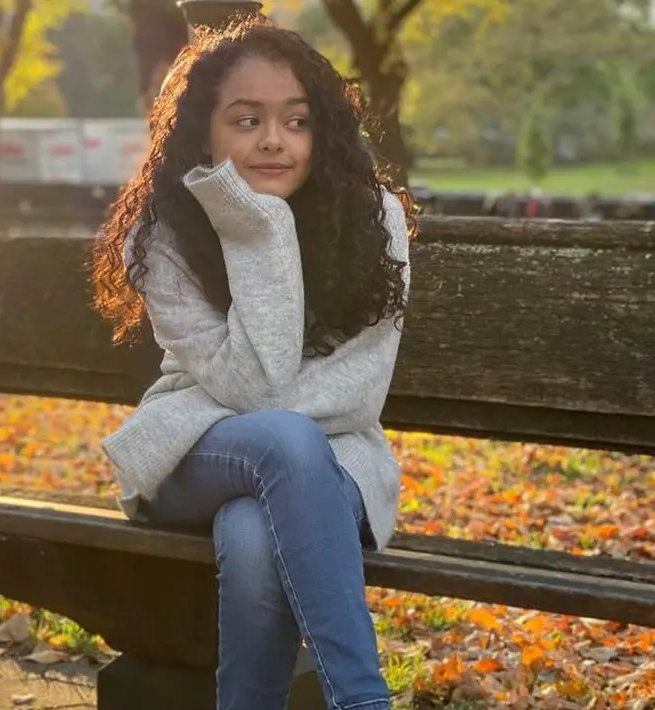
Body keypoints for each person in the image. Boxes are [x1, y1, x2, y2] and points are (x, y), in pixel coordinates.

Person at [89, 16, 416, 710]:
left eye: (296, 121)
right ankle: (363, 700)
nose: (273, 139)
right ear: (200, 131)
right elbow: (252, 385)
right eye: (246, 120)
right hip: (192, 454)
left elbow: (359, 392)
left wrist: (277, 435)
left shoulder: (373, 217)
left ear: (321, 129)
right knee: (282, 439)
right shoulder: (162, 231)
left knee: (250, 532)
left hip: (338, 461)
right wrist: (258, 226)